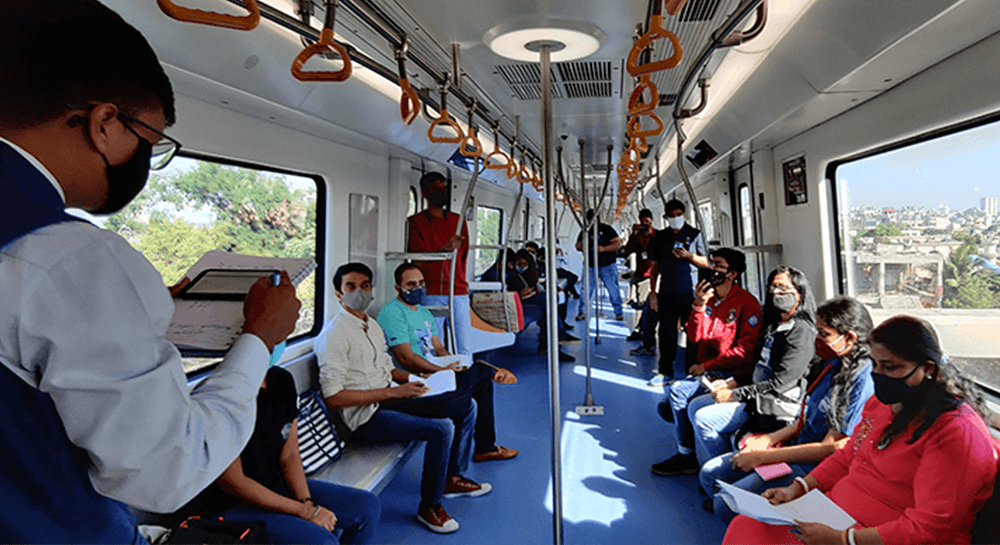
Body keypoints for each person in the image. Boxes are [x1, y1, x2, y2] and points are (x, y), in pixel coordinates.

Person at [0, 2, 302, 542]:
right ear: (105, 123)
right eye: (152, 141)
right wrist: (260, 337)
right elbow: (171, 471)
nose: (147, 157)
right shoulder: (69, 260)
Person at [723, 315, 999, 545]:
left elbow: (930, 529)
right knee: (747, 526)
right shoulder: (882, 404)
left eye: (890, 367)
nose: (878, 375)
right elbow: (847, 457)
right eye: (875, 365)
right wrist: (798, 488)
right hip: (837, 514)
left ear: (926, 369)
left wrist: (845, 539)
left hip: (880, 535)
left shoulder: (955, 433)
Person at [314, 263, 490, 534]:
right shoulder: (334, 335)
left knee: (467, 406)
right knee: (442, 428)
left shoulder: (370, 326)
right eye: (350, 286)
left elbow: (387, 369)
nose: (359, 292)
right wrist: (394, 391)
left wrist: (410, 380)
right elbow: (334, 398)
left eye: (364, 286)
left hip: (389, 397)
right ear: (338, 294)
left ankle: (452, 477)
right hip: (365, 417)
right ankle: (429, 506)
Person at [701, 296, 875, 521]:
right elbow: (805, 420)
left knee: (724, 505)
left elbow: (831, 448)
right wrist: (768, 440)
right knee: (710, 475)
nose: (817, 339)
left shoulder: (863, 379)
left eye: (824, 334)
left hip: (814, 466)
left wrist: (766, 457)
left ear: (850, 338)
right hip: (796, 447)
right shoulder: (834, 364)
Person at [181, 366, 380, 545]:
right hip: (231, 503)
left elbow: (289, 454)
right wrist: (306, 513)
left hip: (274, 484)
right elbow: (233, 482)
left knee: (367, 507)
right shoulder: (222, 394)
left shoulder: (281, 380)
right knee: (322, 542)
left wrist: (306, 502)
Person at [652, 266, 817, 476]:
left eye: (783, 288)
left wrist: (733, 392)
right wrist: (699, 305)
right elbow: (696, 337)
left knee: (700, 415)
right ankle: (695, 458)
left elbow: (777, 379)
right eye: (773, 287)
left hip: (770, 403)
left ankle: (727, 472)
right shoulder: (773, 323)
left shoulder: (798, 332)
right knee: (689, 403)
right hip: (745, 384)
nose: (776, 292)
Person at [378, 262, 519, 462]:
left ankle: (485, 447)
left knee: (482, 383)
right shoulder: (393, 313)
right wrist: (439, 370)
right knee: (480, 373)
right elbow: (405, 357)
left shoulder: (424, 312)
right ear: (397, 288)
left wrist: (452, 363)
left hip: (435, 372)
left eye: (421, 283)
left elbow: (438, 348)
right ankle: (489, 372)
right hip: (415, 379)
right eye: (411, 284)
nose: (417, 288)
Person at [651, 248, 761, 476]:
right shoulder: (709, 298)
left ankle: (687, 456)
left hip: (731, 373)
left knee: (677, 394)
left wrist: (707, 367)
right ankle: (688, 449)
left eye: (719, 266)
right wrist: (699, 305)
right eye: (712, 264)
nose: (713, 270)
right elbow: (694, 336)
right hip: (708, 370)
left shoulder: (746, 304)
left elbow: (744, 351)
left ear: (732, 274)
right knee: (666, 407)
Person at [645, 200, 709, 386]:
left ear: (684, 214)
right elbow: (654, 266)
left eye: (678, 214)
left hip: (691, 293)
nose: (675, 218)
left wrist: (690, 256)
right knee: (666, 333)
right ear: (666, 217)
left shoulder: (695, 235)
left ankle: (692, 372)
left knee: (693, 334)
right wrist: (653, 293)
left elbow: (706, 262)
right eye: (671, 215)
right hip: (667, 292)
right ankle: (666, 372)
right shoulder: (660, 237)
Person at [407, 171, 472, 356]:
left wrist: (459, 277)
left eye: (443, 188)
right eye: (436, 189)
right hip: (431, 291)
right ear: (424, 193)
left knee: (464, 345)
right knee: (434, 345)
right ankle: (440, 381)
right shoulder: (416, 223)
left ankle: (465, 380)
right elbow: (416, 257)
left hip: (457, 289)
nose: (441, 193)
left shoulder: (458, 221)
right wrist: (444, 249)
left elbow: (463, 255)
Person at [484, 249, 577, 361]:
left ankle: (551, 343)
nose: (514, 267)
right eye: (514, 264)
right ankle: (554, 341)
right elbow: (495, 298)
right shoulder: (493, 275)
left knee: (546, 304)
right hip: (505, 309)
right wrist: (520, 295)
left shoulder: (505, 273)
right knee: (546, 305)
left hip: (514, 304)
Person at [575, 209, 624, 321]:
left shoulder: (608, 229)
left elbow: (617, 244)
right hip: (590, 265)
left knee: (613, 289)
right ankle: (582, 311)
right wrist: (583, 247)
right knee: (585, 289)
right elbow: (578, 245)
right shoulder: (585, 231)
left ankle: (618, 312)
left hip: (608, 265)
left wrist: (603, 249)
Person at [623, 208, 657, 345]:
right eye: (643, 222)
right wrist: (633, 234)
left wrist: (651, 235)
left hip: (653, 273)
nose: (645, 224)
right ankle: (639, 330)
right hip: (640, 272)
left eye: (647, 222)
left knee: (647, 305)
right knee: (641, 304)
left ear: (652, 220)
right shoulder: (637, 236)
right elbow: (627, 250)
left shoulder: (658, 235)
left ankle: (642, 331)